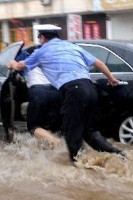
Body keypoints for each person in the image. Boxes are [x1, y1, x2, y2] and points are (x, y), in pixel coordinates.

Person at [8, 24, 125, 162]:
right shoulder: (73, 47)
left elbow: (20, 66)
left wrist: (12, 63)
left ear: (43, 37)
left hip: (73, 91)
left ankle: (80, 168)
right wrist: (111, 79)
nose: (39, 41)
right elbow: (98, 63)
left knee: (71, 133)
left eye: (39, 38)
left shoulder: (42, 51)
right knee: (88, 131)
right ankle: (120, 156)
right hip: (90, 88)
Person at [15, 48, 62, 147]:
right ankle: (54, 149)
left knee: (34, 128)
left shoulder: (27, 62)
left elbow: (16, 71)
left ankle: (54, 141)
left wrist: (12, 63)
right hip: (56, 93)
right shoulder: (49, 63)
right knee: (49, 127)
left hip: (39, 93)